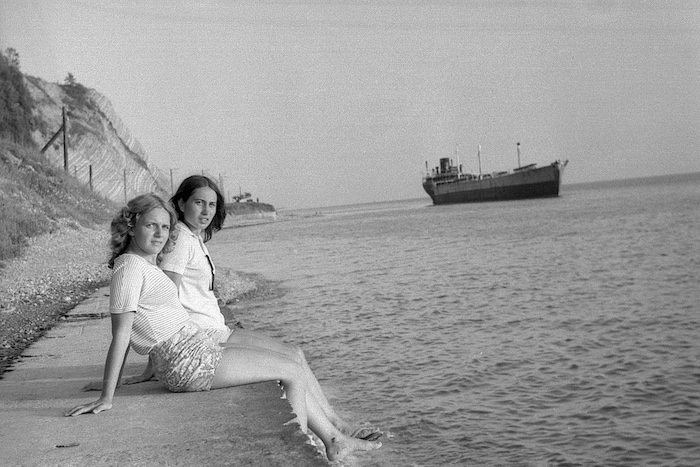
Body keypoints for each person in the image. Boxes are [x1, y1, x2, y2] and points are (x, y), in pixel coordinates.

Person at [66, 194, 382, 462]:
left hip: (195, 349)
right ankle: (298, 453)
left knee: (290, 362)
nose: (160, 233)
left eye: (165, 226)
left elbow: (148, 324)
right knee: (291, 371)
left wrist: (119, 380)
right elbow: (121, 333)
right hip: (186, 361)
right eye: (151, 225)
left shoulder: (142, 264)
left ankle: (330, 440)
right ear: (131, 225)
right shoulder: (130, 269)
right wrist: (108, 394)